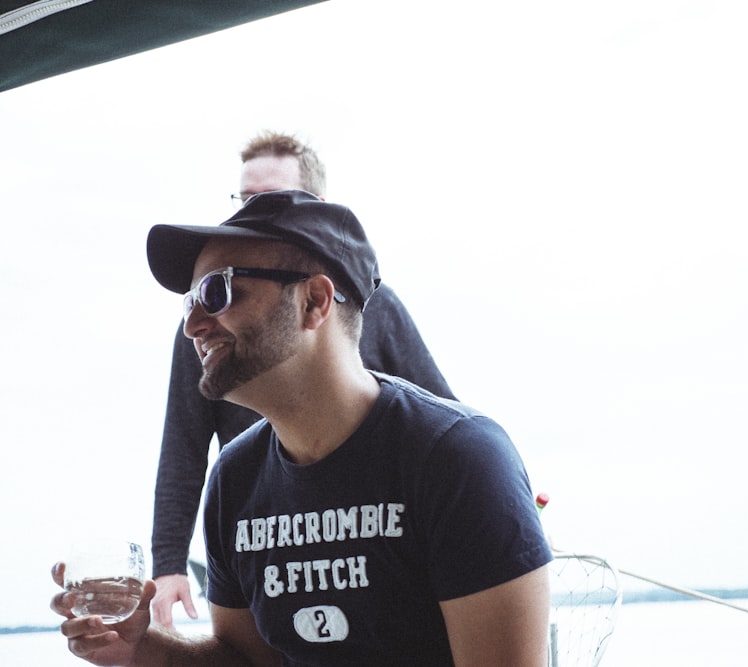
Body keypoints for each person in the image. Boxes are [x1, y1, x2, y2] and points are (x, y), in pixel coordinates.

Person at [52, 190, 552, 665]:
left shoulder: (458, 460)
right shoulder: (236, 479)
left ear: (314, 301)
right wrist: (143, 648)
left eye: (216, 290)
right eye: (189, 302)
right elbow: (245, 663)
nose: (193, 324)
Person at [151, 131, 457, 628]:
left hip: (375, 544)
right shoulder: (210, 330)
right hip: (260, 543)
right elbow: (182, 444)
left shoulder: (375, 309)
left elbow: (439, 413)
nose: (246, 213)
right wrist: (167, 563)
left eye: (267, 200)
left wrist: (488, 499)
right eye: (242, 199)